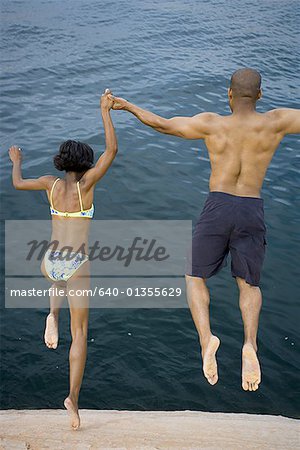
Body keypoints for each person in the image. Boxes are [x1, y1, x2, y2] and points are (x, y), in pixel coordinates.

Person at [108, 68, 300, 392]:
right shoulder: (276, 121)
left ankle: (206, 339)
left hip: (218, 207)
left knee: (194, 277)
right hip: (252, 207)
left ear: (228, 94)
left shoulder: (212, 124)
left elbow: (163, 124)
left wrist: (127, 106)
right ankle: (250, 344)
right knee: (249, 284)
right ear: (260, 96)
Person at [8, 89, 118, 429]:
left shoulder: (49, 185)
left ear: (60, 162)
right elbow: (112, 150)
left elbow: (17, 183)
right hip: (76, 265)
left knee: (54, 277)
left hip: (50, 261)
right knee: (81, 334)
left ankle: (51, 315)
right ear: (85, 163)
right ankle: (72, 398)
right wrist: (105, 110)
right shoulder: (87, 185)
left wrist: (16, 161)